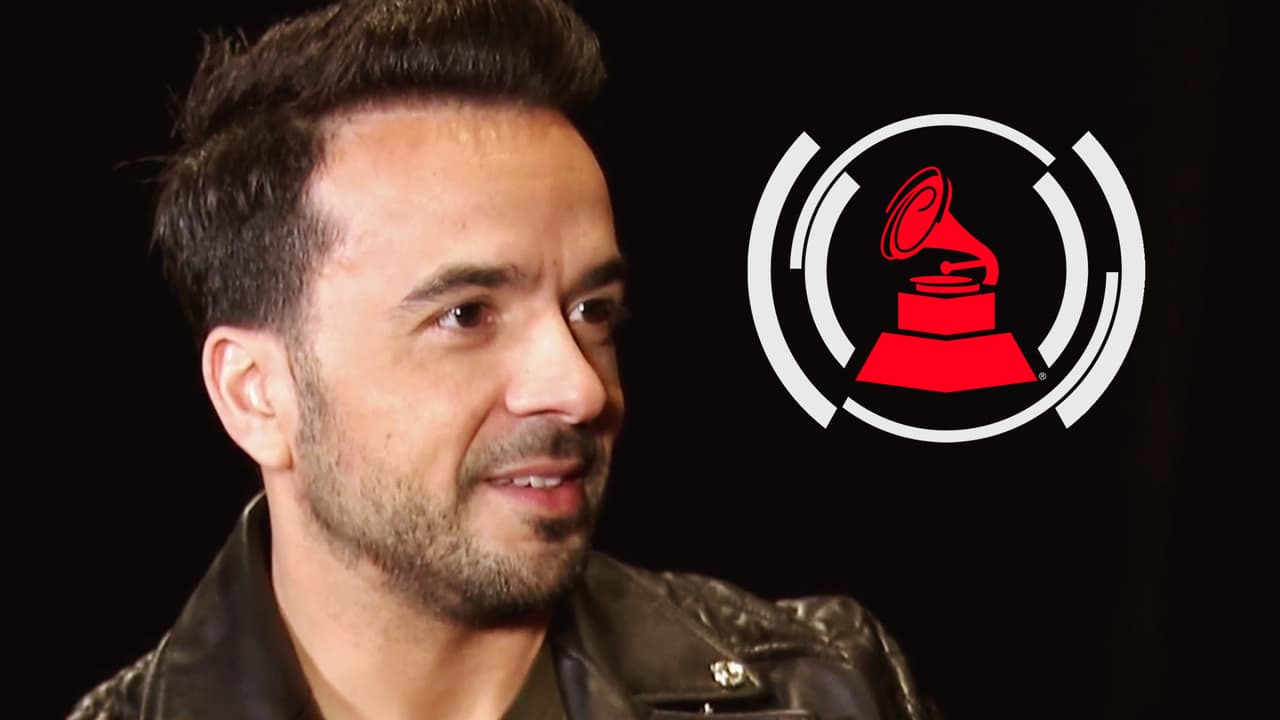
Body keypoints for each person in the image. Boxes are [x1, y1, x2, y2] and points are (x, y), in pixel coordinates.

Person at [69, 1, 937, 718]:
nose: (579, 387)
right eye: (467, 315)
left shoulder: (831, 690)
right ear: (256, 394)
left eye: (592, 311)